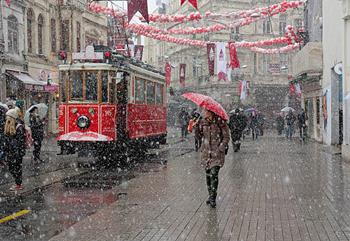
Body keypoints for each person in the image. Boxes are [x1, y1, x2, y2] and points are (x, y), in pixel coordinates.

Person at [198, 109, 230, 208]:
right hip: (206, 154)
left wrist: (221, 147)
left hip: (217, 154)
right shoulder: (203, 122)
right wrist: (195, 128)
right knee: (208, 176)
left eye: (206, 112)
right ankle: (210, 194)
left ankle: (213, 198)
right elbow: (199, 137)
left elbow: (226, 137)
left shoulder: (221, 122)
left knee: (214, 174)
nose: (205, 113)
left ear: (211, 113)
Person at [4, 109, 26, 191]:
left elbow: (20, 142)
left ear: (12, 117)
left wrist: (18, 153)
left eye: (8, 116)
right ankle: (17, 182)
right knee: (11, 168)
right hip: (10, 152)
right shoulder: (8, 126)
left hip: (17, 153)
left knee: (17, 168)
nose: (6, 118)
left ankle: (18, 184)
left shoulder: (19, 127)